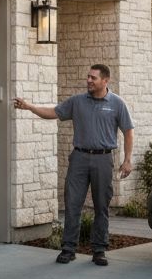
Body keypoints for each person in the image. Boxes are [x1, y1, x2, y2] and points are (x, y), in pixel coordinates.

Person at [14, 64, 134, 266]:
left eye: (93, 78)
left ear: (105, 81)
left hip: (103, 159)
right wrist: (29, 107)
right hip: (79, 158)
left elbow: (128, 131)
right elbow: (53, 112)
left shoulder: (117, 104)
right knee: (72, 204)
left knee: (101, 206)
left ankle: (99, 250)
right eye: (88, 76)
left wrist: (128, 159)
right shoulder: (77, 102)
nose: (88, 80)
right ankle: (68, 249)